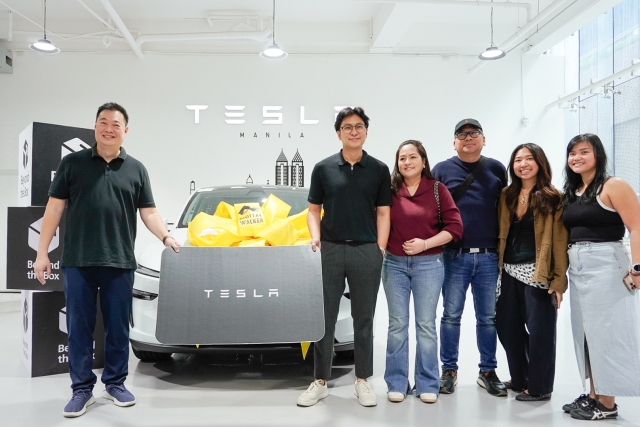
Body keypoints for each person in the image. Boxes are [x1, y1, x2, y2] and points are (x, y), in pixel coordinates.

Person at [33, 103, 180, 418]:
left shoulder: (136, 169)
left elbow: (149, 212)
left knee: (118, 329)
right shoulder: (72, 164)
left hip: (119, 261)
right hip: (78, 261)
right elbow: (54, 208)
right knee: (79, 329)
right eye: (103, 122)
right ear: (95, 127)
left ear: (126, 130)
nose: (109, 128)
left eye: (115, 124)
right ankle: (81, 390)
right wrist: (42, 253)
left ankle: (115, 384)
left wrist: (166, 237)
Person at [297, 107, 391, 407]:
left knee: (364, 318)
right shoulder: (323, 168)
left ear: (366, 132)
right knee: (324, 318)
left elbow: (383, 212)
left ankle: (362, 381)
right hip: (331, 249)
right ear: (338, 133)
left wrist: (380, 247)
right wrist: (315, 237)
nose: (354, 131)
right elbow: (313, 210)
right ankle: (320, 381)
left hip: (366, 250)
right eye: (347, 127)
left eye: (359, 126)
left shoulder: (378, 169)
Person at [561, 133, 640, 421]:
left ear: (598, 155)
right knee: (588, 334)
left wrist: (638, 267)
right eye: (572, 153)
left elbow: (637, 226)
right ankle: (595, 395)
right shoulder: (574, 191)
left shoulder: (613, 185)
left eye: (584, 152)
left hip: (607, 263)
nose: (577, 157)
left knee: (608, 333)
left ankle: (607, 403)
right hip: (579, 266)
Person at [432, 118, 508, 396]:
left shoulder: (497, 168)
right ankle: (449, 370)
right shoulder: (441, 169)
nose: (468, 138)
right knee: (451, 316)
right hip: (454, 255)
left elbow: (504, 209)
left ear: (483, 139)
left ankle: (487, 371)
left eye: (474, 133)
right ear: (454, 142)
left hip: (488, 257)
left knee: (487, 318)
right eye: (462, 135)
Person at [383, 140, 462, 404]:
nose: (407, 162)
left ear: (423, 161)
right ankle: (396, 382)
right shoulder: (390, 191)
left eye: (412, 157)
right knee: (397, 325)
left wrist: (425, 244)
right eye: (402, 158)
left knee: (426, 325)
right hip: (394, 264)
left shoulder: (437, 189)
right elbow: (378, 221)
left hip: (429, 264)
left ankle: (428, 382)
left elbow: (455, 228)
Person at [495, 143, 568, 401]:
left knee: (541, 333)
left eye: (529, 159)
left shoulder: (553, 197)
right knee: (507, 328)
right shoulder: (507, 195)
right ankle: (520, 378)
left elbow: (560, 241)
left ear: (539, 162)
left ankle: (539, 387)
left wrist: (558, 281)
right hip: (508, 271)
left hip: (539, 273)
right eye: (518, 160)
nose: (523, 164)